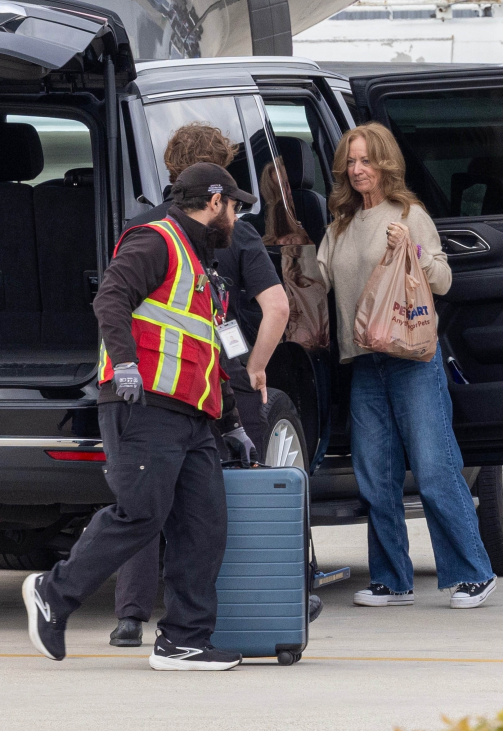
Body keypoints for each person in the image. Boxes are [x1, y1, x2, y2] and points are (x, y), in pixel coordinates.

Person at [22, 163, 260, 670]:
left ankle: (184, 640)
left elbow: (211, 351)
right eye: (234, 205)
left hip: (193, 416)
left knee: (204, 526)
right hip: (144, 405)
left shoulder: (201, 264)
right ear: (214, 201)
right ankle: (52, 592)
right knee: (140, 514)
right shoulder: (156, 241)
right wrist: (125, 364)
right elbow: (111, 297)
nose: (237, 216)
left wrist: (232, 421)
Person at [108, 124, 292, 648]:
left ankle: (130, 614)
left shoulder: (143, 227)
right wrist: (256, 367)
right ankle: (269, 592)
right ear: (217, 185)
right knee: (224, 499)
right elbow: (277, 306)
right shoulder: (238, 231)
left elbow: (118, 302)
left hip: (153, 379)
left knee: (143, 496)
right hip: (219, 378)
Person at [316, 123, 497, 609]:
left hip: (412, 359)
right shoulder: (340, 225)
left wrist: (412, 251)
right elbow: (320, 279)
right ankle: (391, 580)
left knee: (436, 468)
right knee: (376, 475)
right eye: (350, 162)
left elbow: (443, 281)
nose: (357, 170)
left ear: (386, 163)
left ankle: (472, 572)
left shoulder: (409, 214)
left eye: (366, 161)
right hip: (365, 361)